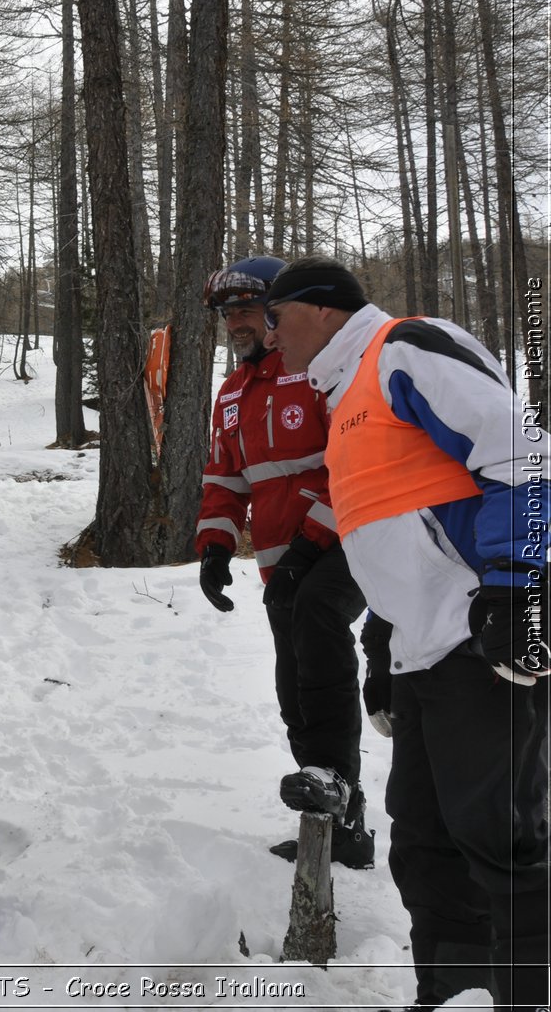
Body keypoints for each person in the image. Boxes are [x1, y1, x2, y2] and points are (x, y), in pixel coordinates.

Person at [262, 255, 548, 1010]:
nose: (266, 336)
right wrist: (382, 649)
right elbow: (394, 537)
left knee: (499, 839)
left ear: (320, 310)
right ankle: (455, 997)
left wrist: (518, 589)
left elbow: (521, 449)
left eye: (274, 317)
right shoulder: (347, 395)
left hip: (480, 638)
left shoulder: (402, 348)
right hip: (425, 653)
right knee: (423, 844)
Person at [194, 255, 373, 868]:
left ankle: (343, 803)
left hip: (345, 537)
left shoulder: (314, 372)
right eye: (226, 313)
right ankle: (327, 816)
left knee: (320, 631)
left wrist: (310, 542)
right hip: (281, 561)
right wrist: (215, 547)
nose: (235, 322)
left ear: (276, 309)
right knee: (294, 686)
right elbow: (225, 477)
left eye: (245, 308)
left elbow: (349, 461)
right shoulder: (232, 391)